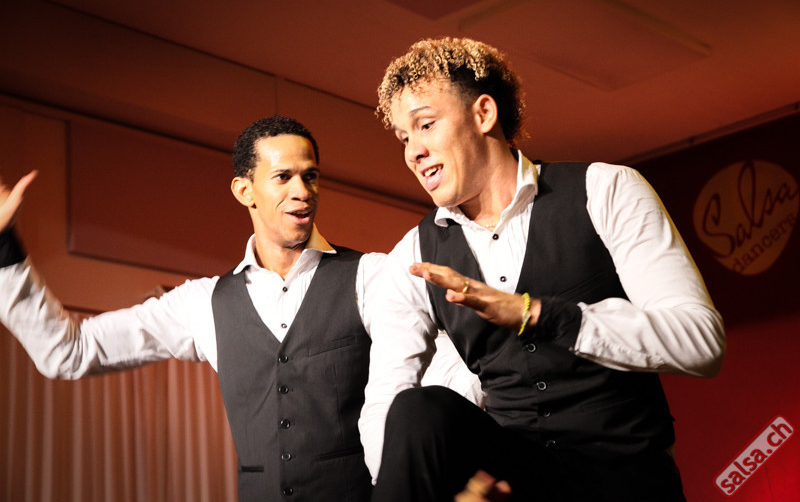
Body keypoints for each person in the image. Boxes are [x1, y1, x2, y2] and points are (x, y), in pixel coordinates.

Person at [0, 115, 479, 501]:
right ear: (244, 190)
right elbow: (69, 351)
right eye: (283, 177)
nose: (302, 191)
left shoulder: (372, 275)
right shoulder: (203, 302)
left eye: (310, 176)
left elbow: (448, 377)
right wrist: (4, 249)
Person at [358, 37, 726, 501]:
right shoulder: (413, 255)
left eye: (425, 125)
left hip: (623, 478)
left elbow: (700, 341)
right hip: (521, 481)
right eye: (404, 138)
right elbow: (384, 401)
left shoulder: (605, 189)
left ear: (484, 113)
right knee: (418, 409)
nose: (413, 151)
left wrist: (536, 313)